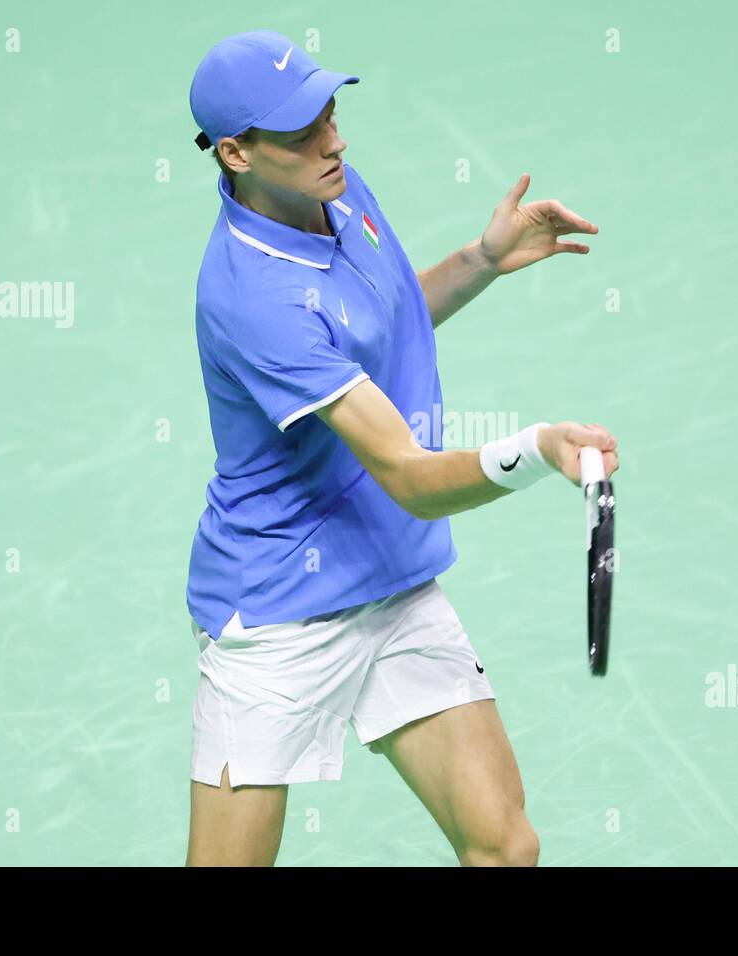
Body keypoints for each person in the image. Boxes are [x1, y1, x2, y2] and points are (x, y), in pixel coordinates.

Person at [184, 30, 619, 867]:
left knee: (505, 847)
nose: (334, 140)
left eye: (332, 113)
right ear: (236, 152)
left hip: (390, 582)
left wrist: (480, 260)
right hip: (275, 614)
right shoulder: (252, 296)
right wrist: (535, 450)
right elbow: (410, 479)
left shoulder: (336, 194)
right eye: (303, 131)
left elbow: (371, 325)